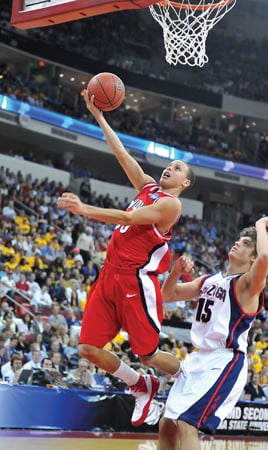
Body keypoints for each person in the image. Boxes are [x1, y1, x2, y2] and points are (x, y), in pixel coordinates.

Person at [56, 89, 195, 427]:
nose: (169, 168)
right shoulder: (148, 189)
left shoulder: (171, 205)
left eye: (177, 168)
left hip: (136, 280)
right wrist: (100, 116)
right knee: (87, 349)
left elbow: (128, 219)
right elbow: (122, 156)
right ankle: (141, 384)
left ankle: (194, 376)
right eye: (169, 164)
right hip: (109, 277)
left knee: (147, 353)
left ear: (185, 182)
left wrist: (84, 208)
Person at [158, 214, 268, 450]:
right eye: (240, 240)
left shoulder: (248, 284)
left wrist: (260, 225)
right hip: (198, 359)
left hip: (225, 360)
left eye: (247, 244)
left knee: (187, 423)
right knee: (167, 422)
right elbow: (168, 295)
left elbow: (266, 256)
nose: (238, 242)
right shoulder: (209, 280)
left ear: (253, 258)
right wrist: (175, 273)